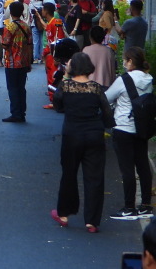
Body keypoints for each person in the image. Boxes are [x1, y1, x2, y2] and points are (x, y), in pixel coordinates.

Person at [52, 52, 114, 232]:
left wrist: (64, 76)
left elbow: (57, 105)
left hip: (72, 134)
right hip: (94, 134)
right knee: (94, 177)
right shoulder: (96, 88)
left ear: (73, 68)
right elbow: (108, 114)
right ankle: (92, 221)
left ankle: (64, 213)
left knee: (69, 174)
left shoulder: (66, 86)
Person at [105, 46, 154, 220]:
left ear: (130, 61)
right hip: (141, 128)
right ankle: (146, 205)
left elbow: (107, 98)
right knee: (143, 166)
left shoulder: (123, 79)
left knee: (127, 170)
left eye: (125, 60)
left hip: (123, 127)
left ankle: (129, 208)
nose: (124, 63)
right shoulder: (149, 79)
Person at [0, 1, 33, 122]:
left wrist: (0, 40)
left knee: (13, 88)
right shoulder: (26, 26)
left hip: (12, 62)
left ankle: (15, 113)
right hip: (23, 61)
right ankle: (22, 112)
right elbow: (30, 45)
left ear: (11, 12)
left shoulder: (9, 27)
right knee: (21, 88)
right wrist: (29, 62)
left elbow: (4, 45)